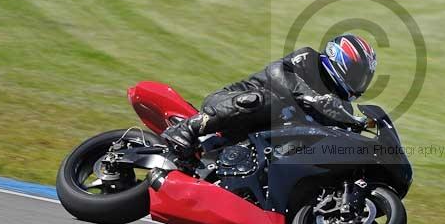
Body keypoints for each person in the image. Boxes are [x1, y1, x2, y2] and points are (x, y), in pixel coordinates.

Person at [161, 34, 377, 160]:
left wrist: (356, 126)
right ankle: (187, 128)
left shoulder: (341, 105)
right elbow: (277, 71)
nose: (360, 82)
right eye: (358, 74)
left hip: (257, 140)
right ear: (340, 60)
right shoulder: (309, 59)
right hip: (231, 103)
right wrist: (308, 96)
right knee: (270, 101)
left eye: (364, 78)